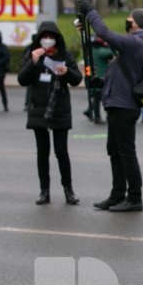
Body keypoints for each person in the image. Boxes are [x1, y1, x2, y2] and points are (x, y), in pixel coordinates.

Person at [77, 0, 143, 212]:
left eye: (129, 18)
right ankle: (117, 194)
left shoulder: (136, 43)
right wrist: (100, 83)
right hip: (118, 103)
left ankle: (135, 198)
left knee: (126, 153)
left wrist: (91, 11)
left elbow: (105, 33)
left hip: (124, 107)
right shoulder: (134, 45)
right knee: (115, 151)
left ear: (137, 23)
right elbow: (122, 79)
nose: (127, 21)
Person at [19, 21, 83, 205]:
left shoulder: (64, 54)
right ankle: (44, 191)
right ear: (39, 38)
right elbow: (22, 80)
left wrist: (67, 72)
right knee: (42, 153)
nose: (48, 40)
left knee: (61, 152)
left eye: (51, 37)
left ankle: (68, 190)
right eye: (44, 37)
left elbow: (77, 80)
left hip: (59, 107)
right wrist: (33, 62)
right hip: (39, 109)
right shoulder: (33, 54)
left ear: (56, 38)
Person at [85, 36, 114, 124]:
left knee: (96, 100)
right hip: (101, 79)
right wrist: (108, 45)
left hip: (93, 79)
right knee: (106, 100)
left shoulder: (90, 52)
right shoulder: (100, 51)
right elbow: (110, 53)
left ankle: (94, 115)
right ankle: (102, 117)